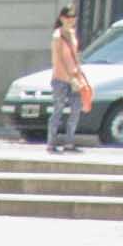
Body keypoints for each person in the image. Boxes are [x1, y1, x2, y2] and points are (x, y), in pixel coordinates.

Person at [48, 9, 89, 153]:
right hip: (60, 78)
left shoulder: (72, 34)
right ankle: (51, 143)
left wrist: (79, 74)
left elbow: (74, 56)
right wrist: (70, 77)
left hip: (74, 78)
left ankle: (69, 143)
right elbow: (58, 59)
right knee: (58, 110)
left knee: (76, 109)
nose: (71, 19)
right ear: (61, 18)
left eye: (73, 16)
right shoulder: (57, 36)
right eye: (68, 17)